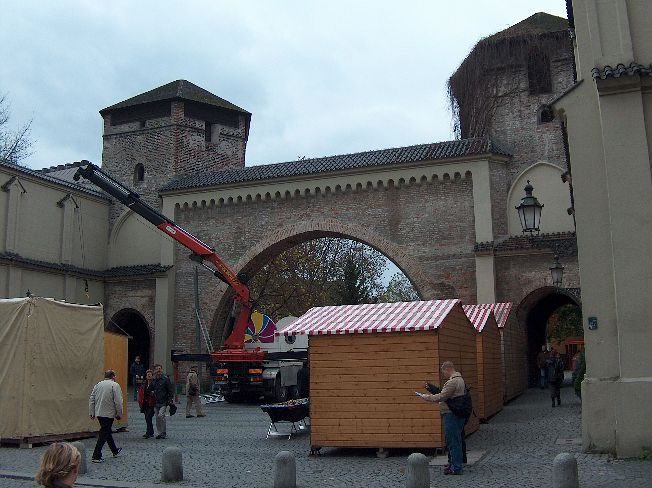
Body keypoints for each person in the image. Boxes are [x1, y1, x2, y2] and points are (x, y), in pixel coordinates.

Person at [416, 361, 466, 475]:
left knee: (453, 441)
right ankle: (453, 464)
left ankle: (456, 467)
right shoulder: (460, 379)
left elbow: (441, 396)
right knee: (454, 440)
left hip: (451, 414)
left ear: (447, 369)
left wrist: (426, 397)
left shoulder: (453, 382)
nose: (444, 375)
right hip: (456, 414)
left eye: (443, 372)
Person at [88, 370, 123, 463]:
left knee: (107, 431)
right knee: (104, 433)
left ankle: (115, 450)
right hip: (109, 413)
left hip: (99, 412)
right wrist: (119, 413)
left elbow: (92, 398)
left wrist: (92, 412)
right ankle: (96, 455)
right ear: (113, 376)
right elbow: (118, 401)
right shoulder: (115, 385)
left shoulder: (98, 384)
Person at [152, 363, 174, 439]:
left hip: (164, 401)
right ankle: (160, 433)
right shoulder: (153, 380)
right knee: (157, 418)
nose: (159, 370)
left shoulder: (165, 379)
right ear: (154, 370)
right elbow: (151, 388)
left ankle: (163, 432)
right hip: (156, 401)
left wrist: (170, 399)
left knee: (160, 415)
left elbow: (170, 389)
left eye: (160, 368)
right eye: (157, 369)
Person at [138, 369, 157, 438]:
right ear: (146, 376)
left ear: (152, 376)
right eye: (148, 375)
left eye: (150, 375)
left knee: (148, 417)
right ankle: (150, 431)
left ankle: (149, 432)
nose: (149, 376)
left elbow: (156, 392)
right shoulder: (144, 384)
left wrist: (153, 393)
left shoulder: (154, 384)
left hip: (151, 403)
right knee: (147, 417)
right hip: (145, 403)